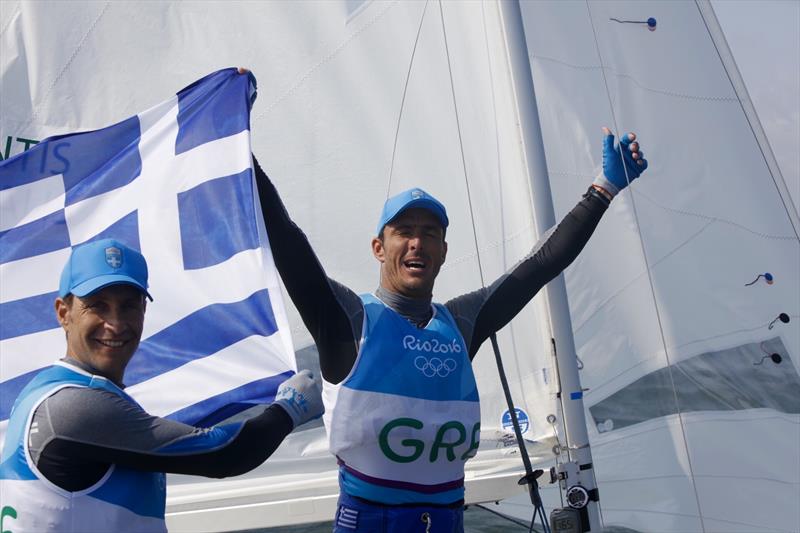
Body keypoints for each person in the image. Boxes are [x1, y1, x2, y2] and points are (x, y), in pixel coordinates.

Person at [253, 128, 648, 533]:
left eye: (430, 233)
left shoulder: (462, 323)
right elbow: (287, 241)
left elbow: (542, 262)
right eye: (403, 231)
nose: (417, 243)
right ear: (378, 247)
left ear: (443, 250)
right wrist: (240, 154)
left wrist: (605, 188)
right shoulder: (348, 319)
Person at [0, 238, 323, 532]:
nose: (115, 324)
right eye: (97, 305)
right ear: (63, 312)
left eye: (128, 305)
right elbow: (225, 454)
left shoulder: (45, 390)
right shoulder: (74, 407)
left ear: (143, 310)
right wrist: (289, 409)